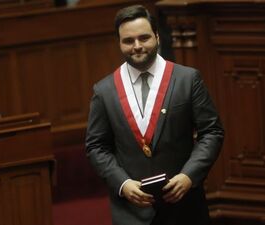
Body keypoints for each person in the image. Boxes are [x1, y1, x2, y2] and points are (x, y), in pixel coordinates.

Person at [85, 4, 224, 225]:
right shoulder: (104, 91)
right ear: (119, 43)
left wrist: (189, 176)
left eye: (144, 38)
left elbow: (212, 132)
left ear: (157, 37)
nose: (137, 46)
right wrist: (122, 183)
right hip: (132, 212)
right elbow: (96, 146)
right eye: (128, 41)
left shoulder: (187, 80)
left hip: (184, 206)